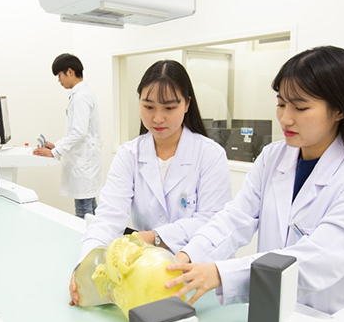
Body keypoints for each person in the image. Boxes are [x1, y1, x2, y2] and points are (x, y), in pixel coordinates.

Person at [166, 46, 344, 315]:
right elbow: (235, 219)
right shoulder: (273, 157)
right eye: (281, 104)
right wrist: (186, 257)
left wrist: (222, 274)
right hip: (270, 313)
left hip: (331, 321)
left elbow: (320, 259)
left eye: (300, 107)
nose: (285, 118)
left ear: (340, 110)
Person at [69, 60, 232, 306]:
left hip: (199, 275)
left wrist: (155, 237)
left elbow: (211, 220)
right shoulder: (129, 154)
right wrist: (85, 267)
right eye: (148, 106)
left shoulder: (210, 155)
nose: (157, 118)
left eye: (169, 107)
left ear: (187, 104)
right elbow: (108, 217)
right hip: (147, 278)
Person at [34, 53, 103, 218]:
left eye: (59, 75)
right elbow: (75, 131)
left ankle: (88, 236)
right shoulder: (80, 94)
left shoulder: (81, 97)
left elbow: (79, 132)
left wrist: (54, 152)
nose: (59, 80)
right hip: (84, 163)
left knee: (84, 212)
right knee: (90, 209)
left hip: (84, 165)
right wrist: (56, 145)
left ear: (70, 72)